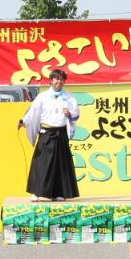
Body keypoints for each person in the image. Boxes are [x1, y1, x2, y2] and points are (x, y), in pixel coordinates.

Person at [18, 69, 80, 201]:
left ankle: (59, 193)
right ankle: (36, 192)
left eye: (62, 80)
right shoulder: (43, 97)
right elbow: (33, 112)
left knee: (61, 165)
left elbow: (76, 114)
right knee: (41, 164)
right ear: (51, 81)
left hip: (61, 132)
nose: (59, 82)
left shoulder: (69, 97)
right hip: (47, 133)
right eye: (56, 79)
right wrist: (24, 121)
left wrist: (69, 113)